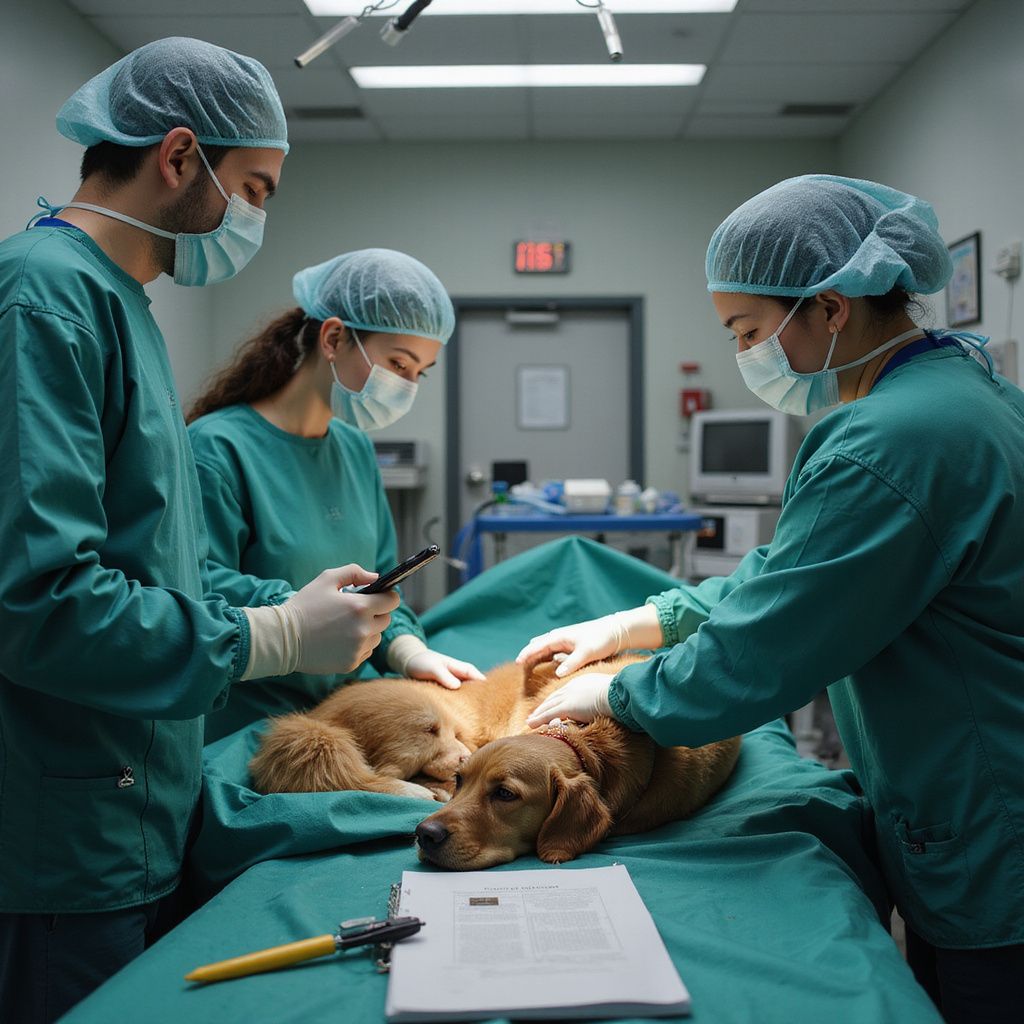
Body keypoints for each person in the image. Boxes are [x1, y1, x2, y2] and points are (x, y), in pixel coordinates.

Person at [521, 175, 1024, 1023]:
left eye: (750, 331)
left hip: (990, 819)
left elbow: (767, 650)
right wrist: (643, 619)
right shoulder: (971, 400)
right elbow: (796, 578)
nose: (747, 356)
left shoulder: (889, 441)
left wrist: (620, 690)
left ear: (831, 309)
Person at [0, 39, 399, 1023]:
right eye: (254, 187)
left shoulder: (120, 303)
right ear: (179, 156)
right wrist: (267, 640)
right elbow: (40, 601)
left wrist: (293, 609)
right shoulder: (42, 298)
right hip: (67, 830)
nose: (257, 217)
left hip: (141, 800)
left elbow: (160, 566)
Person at [188, 248, 484, 743]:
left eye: (419, 373)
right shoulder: (216, 448)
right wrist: (301, 618)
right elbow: (198, 587)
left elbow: (382, 581)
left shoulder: (355, 449)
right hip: (251, 721)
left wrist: (409, 650)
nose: (407, 386)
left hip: (349, 708)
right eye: (398, 363)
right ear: (334, 337)